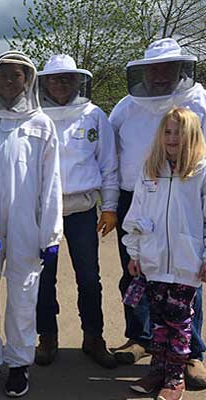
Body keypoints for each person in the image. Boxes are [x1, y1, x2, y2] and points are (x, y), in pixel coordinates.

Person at [0, 51, 63, 399]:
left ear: (27, 80)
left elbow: (51, 183)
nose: (9, 82)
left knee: (22, 294)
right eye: (3, 75)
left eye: (16, 76)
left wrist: (50, 233)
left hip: (25, 224)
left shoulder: (41, 124)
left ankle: (18, 363)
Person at [110, 38, 206, 386]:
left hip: (187, 197)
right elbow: (109, 150)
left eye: (168, 67)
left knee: (185, 277)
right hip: (137, 195)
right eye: (154, 68)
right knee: (137, 273)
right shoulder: (125, 106)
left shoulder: (199, 100)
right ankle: (141, 338)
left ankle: (192, 354)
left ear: (180, 69)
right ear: (144, 72)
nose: (161, 75)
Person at [34, 54, 117, 369]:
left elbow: (109, 165)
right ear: (45, 82)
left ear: (76, 81)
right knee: (44, 277)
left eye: (66, 78)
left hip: (82, 209)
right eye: (54, 79)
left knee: (89, 277)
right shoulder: (36, 116)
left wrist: (108, 207)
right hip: (44, 209)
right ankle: (47, 336)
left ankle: (94, 337)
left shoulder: (94, 115)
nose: (59, 84)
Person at [122, 107, 206, 400]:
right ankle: (157, 370)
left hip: (186, 263)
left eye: (180, 133)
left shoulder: (201, 172)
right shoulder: (149, 170)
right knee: (157, 321)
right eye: (168, 132)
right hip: (153, 261)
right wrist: (134, 253)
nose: (173, 138)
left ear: (192, 136)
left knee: (179, 322)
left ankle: (174, 378)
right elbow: (136, 215)